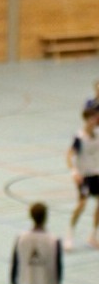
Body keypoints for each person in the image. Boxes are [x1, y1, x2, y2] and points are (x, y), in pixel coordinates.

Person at [66, 107, 99, 249]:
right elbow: (69, 155)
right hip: (84, 176)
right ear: (86, 119)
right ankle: (70, 234)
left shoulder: (97, 134)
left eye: (96, 118)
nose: (95, 120)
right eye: (92, 118)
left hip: (96, 173)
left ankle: (93, 236)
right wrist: (74, 172)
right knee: (82, 205)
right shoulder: (79, 137)